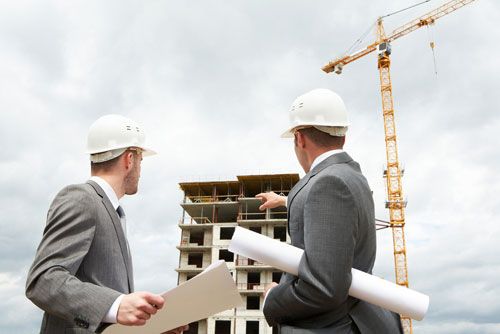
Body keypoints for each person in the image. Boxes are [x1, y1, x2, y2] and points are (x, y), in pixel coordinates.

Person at [256, 89, 403, 334]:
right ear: (342, 136)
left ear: (299, 138)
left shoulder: (329, 183)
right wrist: (282, 200)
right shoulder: (350, 176)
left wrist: (273, 298)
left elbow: (323, 287)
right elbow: (321, 209)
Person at [26, 115, 188, 334]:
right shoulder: (82, 198)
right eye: (141, 160)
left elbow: (105, 311)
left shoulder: (112, 211)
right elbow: (43, 280)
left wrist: (148, 325)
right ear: (130, 159)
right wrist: (118, 304)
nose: (140, 169)